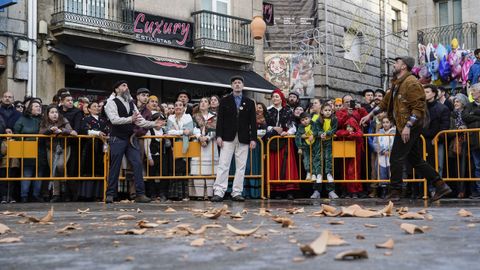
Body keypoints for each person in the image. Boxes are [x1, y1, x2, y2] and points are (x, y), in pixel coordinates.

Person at [360, 56, 452, 201]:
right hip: (403, 126)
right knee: (415, 159)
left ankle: (395, 191)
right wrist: (370, 115)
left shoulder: (412, 83)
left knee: (396, 157)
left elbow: (418, 107)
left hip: (410, 126)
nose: (394, 65)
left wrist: (408, 126)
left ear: (403, 66)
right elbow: (384, 103)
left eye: (397, 63)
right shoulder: (397, 84)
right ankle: (440, 185)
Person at [104, 80, 160, 203]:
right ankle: (110, 194)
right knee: (115, 166)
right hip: (117, 138)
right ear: (117, 89)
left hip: (130, 138)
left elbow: (140, 121)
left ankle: (140, 194)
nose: (126, 88)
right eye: (123, 86)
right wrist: (131, 119)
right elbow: (114, 120)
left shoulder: (131, 103)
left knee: (137, 163)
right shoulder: (111, 103)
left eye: (127, 86)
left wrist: (154, 124)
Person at [211, 75, 257, 202]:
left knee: (241, 167)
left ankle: (237, 192)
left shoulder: (249, 102)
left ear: (243, 85)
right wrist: (219, 136)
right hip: (227, 137)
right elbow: (220, 120)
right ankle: (219, 191)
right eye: (235, 83)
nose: (237, 85)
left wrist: (253, 138)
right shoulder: (225, 101)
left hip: (243, 138)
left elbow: (253, 122)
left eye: (239, 83)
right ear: (232, 86)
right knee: (223, 165)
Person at [266, 89, 299, 199]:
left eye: (277, 96)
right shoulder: (268, 110)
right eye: (273, 96)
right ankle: (276, 191)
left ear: (281, 98)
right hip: (273, 141)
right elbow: (264, 126)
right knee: (274, 164)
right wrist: (273, 128)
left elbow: (293, 126)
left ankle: (289, 190)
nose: (275, 98)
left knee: (287, 165)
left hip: (285, 141)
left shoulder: (288, 110)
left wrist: (287, 132)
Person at [40, 105, 77, 202]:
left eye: (56, 112)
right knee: (54, 169)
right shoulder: (44, 121)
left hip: (64, 147)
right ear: (47, 114)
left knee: (60, 166)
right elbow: (41, 132)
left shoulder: (63, 120)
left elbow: (73, 132)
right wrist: (50, 130)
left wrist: (62, 131)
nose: (54, 114)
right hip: (51, 148)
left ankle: (65, 189)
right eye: (52, 112)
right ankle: (56, 194)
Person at [13, 100, 44, 203]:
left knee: (38, 173)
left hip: (40, 149)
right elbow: (16, 131)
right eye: (36, 106)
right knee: (27, 173)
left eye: (39, 106)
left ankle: (36, 195)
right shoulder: (22, 119)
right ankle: (24, 195)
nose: (39, 108)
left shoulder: (43, 120)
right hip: (27, 148)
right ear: (30, 108)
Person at [79, 101, 110, 201]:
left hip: (102, 147)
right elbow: (84, 130)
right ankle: (87, 195)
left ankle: (99, 194)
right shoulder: (86, 119)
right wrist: (97, 133)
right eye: (94, 106)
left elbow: (107, 130)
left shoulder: (103, 120)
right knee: (89, 170)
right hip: (90, 147)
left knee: (100, 170)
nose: (97, 108)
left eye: (98, 106)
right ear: (89, 109)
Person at [189, 97, 218, 200]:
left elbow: (216, 129)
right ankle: (199, 195)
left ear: (209, 105)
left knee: (210, 169)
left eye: (206, 102)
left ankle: (209, 194)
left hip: (211, 145)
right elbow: (193, 129)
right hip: (197, 144)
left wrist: (207, 137)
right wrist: (200, 137)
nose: (203, 103)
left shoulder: (214, 117)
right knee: (198, 169)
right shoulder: (194, 116)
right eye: (201, 101)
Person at [166, 100, 194, 200]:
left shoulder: (188, 117)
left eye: (180, 105)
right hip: (173, 146)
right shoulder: (170, 117)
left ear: (184, 107)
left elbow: (190, 131)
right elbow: (169, 131)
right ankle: (175, 195)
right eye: (176, 105)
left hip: (185, 146)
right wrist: (182, 132)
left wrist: (177, 132)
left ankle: (185, 195)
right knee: (174, 169)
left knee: (184, 169)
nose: (178, 107)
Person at [58, 93, 83, 201]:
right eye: (68, 100)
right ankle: (58, 194)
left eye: (72, 100)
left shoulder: (77, 112)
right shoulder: (57, 110)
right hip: (58, 144)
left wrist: (63, 131)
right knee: (59, 168)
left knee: (71, 169)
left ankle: (71, 195)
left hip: (73, 144)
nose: (71, 102)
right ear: (62, 101)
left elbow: (76, 130)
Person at [313, 103, 338, 199]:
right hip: (319, 144)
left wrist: (326, 133)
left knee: (329, 163)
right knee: (317, 165)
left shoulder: (334, 119)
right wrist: (320, 134)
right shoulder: (317, 120)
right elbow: (316, 130)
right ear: (322, 111)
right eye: (325, 110)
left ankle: (331, 190)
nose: (327, 112)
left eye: (329, 110)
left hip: (329, 144)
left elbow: (334, 129)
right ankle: (316, 191)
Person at [336, 117, 364, 198]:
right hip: (346, 156)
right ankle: (347, 191)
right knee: (345, 172)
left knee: (353, 172)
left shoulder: (357, 133)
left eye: (351, 126)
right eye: (347, 126)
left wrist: (351, 134)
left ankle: (354, 191)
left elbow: (360, 134)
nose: (349, 128)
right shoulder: (345, 132)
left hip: (355, 157)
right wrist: (348, 134)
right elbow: (338, 132)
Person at [144, 112, 168, 201]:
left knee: (164, 174)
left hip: (162, 156)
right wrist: (149, 157)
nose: (160, 122)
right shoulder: (149, 131)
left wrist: (166, 138)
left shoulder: (164, 131)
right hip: (153, 156)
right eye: (157, 120)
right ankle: (152, 194)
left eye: (161, 120)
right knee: (151, 175)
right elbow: (147, 146)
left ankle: (162, 193)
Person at [461, 83, 480, 198]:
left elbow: (470, 116)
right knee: (477, 166)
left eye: (474, 91)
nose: (472, 93)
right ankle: (478, 190)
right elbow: (465, 117)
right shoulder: (469, 105)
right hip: (475, 140)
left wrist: (475, 113)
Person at [448, 93, 469, 198]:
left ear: (463, 102)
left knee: (466, 168)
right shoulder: (452, 115)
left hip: (467, 142)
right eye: (455, 101)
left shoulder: (467, 113)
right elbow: (449, 129)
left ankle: (466, 190)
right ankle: (459, 190)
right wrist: (457, 130)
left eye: (458, 101)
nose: (455, 103)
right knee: (456, 168)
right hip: (455, 142)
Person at [374, 116, 395, 198]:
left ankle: (392, 190)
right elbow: (375, 143)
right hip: (382, 156)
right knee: (382, 173)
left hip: (391, 156)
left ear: (390, 123)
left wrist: (390, 151)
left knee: (391, 172)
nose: (385, 124)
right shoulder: (379, 132)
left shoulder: (394, 132)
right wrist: (382, 151)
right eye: (384, 122)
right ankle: (384, 190)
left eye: (387, 122)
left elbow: (395, 143)